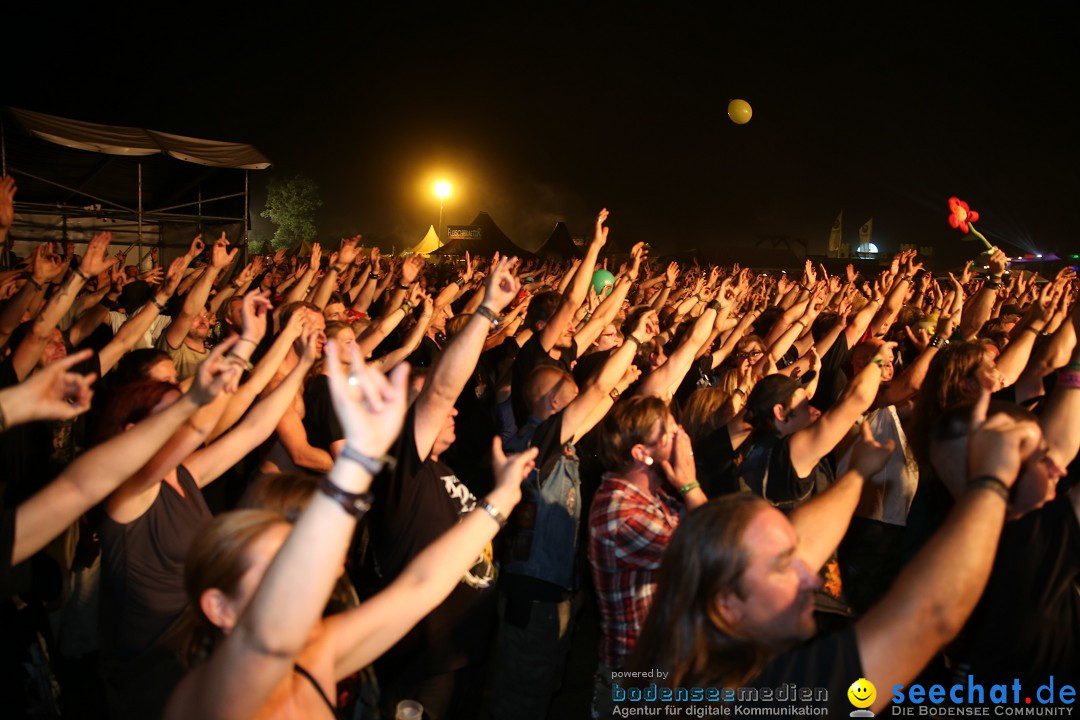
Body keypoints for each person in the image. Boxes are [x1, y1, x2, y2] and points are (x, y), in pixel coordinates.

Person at [628, 393, 1045, 716]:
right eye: (784, 567)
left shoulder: (686, 664)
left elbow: (804, 542)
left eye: (795, 558)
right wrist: (991, 480)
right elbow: (926, 616)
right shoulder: (771, 699)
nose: (811, 575)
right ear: (728, 606)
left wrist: (859, 474)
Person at [488, 309, 654, 720]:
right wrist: (632, 340)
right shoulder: (536, 441)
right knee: (521, 699)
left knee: (543, 688)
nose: (580, 399)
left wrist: (621, 387)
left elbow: (599, 400)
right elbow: (596, 390)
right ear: (555, 402)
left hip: (548, 591)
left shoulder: (549, 442)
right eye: (572, 395)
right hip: (532, 596)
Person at [587, 395, 708, 718]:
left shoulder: (650, 496)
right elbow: (715, 546)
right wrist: (691, 483)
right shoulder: (623, 512)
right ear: (641, 453)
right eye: (670, 432)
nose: (682, 436)